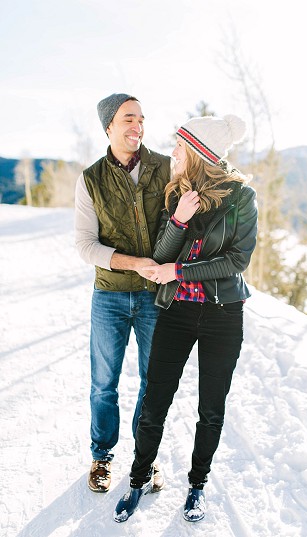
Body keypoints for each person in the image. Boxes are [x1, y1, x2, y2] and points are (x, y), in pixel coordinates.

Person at [113, 114, 258, 523]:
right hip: (176, 312)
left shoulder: (242, 198)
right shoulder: (174, 192)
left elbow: (237, 260)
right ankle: (137, 481)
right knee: (154, 402)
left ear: (198, 154)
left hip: (223, 315)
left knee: (211, 408)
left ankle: (197, 487)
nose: (172, 151)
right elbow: (160, 255)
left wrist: (180, 271)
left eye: (180, 145)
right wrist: (178, 218)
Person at [75, 93, 170, 494]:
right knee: (104, 383)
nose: (138, 126)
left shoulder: (165, 168)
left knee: (154, 383)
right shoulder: (91, 179)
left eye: (142, 119)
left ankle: (145, 460)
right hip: (110, 296)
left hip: (154, 296)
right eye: (129, 119)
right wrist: (133, 263)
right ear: (109, 126)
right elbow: (85, 245)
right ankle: (102, 457)